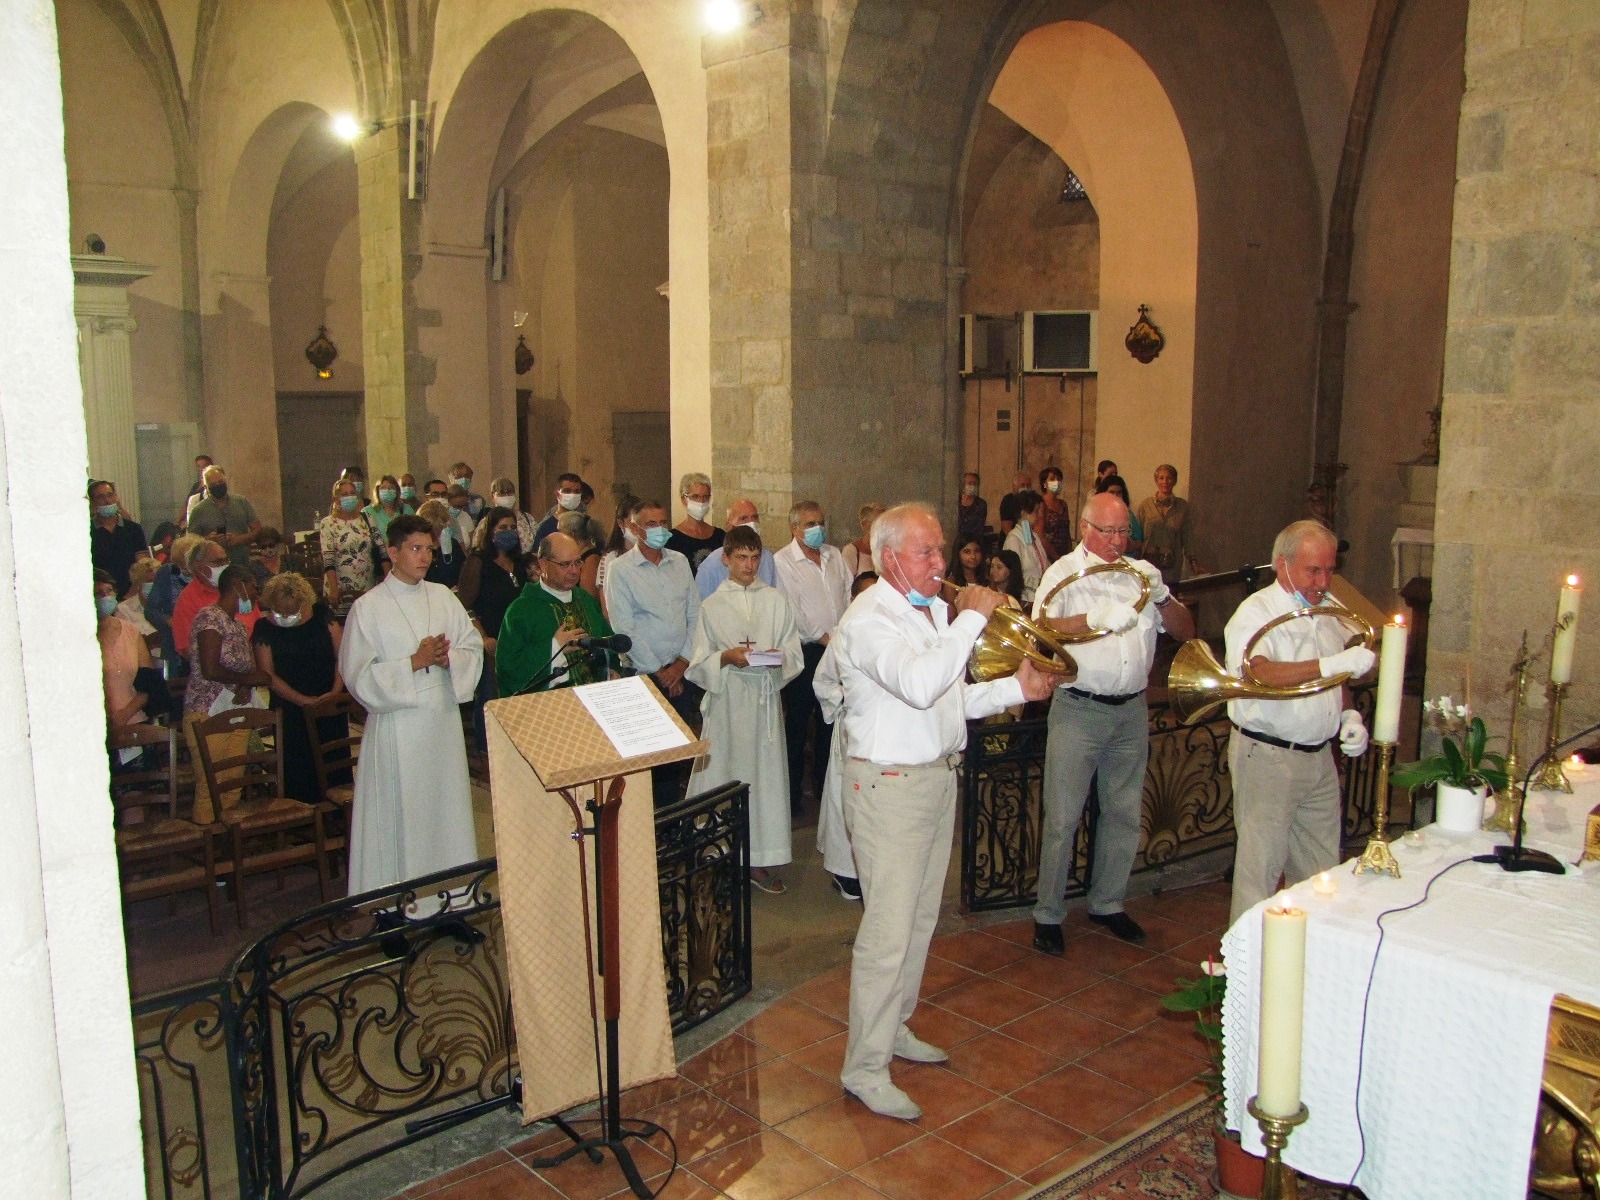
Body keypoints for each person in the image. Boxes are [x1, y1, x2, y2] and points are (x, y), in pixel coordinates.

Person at [830, 503, 1054, 1120]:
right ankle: (864, 1068)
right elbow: (922, 682)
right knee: (887, 934)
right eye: (927, 552)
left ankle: (893, 1029)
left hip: (933, 780)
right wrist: (972, 621)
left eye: (939, 549)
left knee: (919, 921)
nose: (942, 562)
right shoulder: (869, 619)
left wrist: (1018, 688)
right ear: (889, 559)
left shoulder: (924, 612)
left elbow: (947, 700)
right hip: (890, 787)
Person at [1029, 493, 1196, 952]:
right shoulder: (1062, 574)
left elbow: (1185, 631)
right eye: (1109, 531)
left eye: (1125, 531)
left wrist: (1162, 597)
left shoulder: (1138, 574)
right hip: (1079, 708)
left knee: (1123, 813)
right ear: (1085, 528)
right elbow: (1043, 630)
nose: (1119, 540)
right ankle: (1048, 913)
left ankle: (1108, 902)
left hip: (1131, 710)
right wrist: (1092, 618)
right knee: (1063, 816)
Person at [1225, 520, 1374, 923]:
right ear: (1282, 564)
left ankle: (1311, 967)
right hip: (1269, 756)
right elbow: (1258, 674)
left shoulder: (1326, 610)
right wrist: (1331, 663)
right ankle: (1245, 974)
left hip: (1319, 759)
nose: (1323, 580)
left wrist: (1349, 714)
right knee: (1260, 873)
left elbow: (1335, 678)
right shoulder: (1256, 612)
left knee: (1321, 873)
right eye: (1313, 570)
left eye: (1329, 570)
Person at [340, 515, 484, 907]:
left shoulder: (442, 596)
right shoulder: (368, 608)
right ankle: (394, 910)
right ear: (392, 552)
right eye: (416, 549)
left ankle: (451, 903)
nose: (425, 558)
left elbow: (472, 647)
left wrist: (448, 659)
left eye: (429, 550)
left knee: (447, 814)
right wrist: (413, 662)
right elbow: (357, 676)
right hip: (398, 726)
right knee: (403, 817)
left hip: (440, 722)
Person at [686, 525, 803, 892]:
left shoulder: (777, 601)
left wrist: (777, 660)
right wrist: (726, 657)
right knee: (726, 772)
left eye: (755, 558)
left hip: (764, 701)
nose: (749, 565)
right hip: (728, 702)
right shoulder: (712, 605)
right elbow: (698, 661)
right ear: (726, 559)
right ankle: (719, 853)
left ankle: (756, 860)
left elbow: (795, 653)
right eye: (741, 558)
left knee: (763, 779)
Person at [605, 500, 701, 805]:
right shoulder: (621, 570)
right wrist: (661, 671)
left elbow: (695, 616)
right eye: (651, 524)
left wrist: (682, 663)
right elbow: (625, 628)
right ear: (634, 529)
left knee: (675, 758)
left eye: (663, 523)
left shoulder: (680, 562)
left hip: (680, 673)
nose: (660, 530)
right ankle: (648, 828)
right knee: (647, 760)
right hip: (644, 675)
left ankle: (672, 826)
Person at [774, 501, 852, 816]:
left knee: (830, 722)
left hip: (837, 650)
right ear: (794, 528)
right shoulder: (783, 561)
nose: (816, 528)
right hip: (806, 650)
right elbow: (791, 606)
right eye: (809, 524)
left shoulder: (834, 556)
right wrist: (821, 636)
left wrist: (842, 636)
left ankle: (825, 791)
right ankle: (792, 798)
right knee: (797, 724)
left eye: (820, 522)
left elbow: (848, 594)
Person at [811, 569, 878, 901]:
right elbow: (822, 683)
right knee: (844, 798)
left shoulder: (892, 634)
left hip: (882, 734)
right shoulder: (842, 635)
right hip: (850, 730)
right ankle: (843, 869)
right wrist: (845, 698)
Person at [185, 565, 270, 822]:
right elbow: (210, 668)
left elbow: (247, 667)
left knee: (233, 783)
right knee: (210, 785)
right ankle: (207, 843)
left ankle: (228, 846)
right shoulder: (209, 617)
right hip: (207, 710)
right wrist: (248, 679)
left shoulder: (239, 626)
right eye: (253, 586)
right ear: (238, 586)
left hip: (235, 708)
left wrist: (245, 685)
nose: (256, 593)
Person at [253, 572, 345, 804]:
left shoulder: (323, 616)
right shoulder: (264, 628)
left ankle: (335, 817)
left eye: (291, 611)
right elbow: (268, 675)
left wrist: (333, 693)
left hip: (328, 700)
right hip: (291, 706)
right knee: (298, 767)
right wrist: (303, 701)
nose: (285, 616)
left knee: (333, 765)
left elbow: (343, 656)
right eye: (280, 612)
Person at [496, 531, 614, 695]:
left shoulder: (585, 600)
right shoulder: (521, 610)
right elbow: (508, 669)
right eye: (565, 564)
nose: (574, 571)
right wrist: (554, 647)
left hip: (596, 696)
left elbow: (607, 642)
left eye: (578, 562)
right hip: (551, 706)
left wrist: (613, 670)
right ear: (543, 564)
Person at [97, 568, 155, 735]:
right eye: (99, 593)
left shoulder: (131, 631)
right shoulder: (80, 637)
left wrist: (126, 714)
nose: (106, 597)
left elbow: (148, 683)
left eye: (109, 591)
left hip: (135, 718)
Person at [320, 476, 384, 617]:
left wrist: (386, 578)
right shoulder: (328, 523)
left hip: (367, 583)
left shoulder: (367, 518)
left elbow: (381, 549)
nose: (349, 497)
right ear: (336, 499)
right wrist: (334, 588)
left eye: (352, 493)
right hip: (340, 586)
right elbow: (328, 558)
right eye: (344, 494)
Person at [1135, 463, 1199, 590]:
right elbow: (1138, 535)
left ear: (1174, 481)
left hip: (1171, 564)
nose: (1165, 481)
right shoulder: (1145, 506)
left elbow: (1188, 536)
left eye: (1169, 478)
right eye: (1161, 478)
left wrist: (1193, 561)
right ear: (1156, 480)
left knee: (1170, 598)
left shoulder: (1182, 507)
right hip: (1149, 562)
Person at [147, 533, 204, 672]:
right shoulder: (165, 573)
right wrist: (168, 620)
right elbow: (151, 610)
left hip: (204, 640)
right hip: (174, 642)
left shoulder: (207, 574)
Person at [696, 499, 776, 598]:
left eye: (754, 517)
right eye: (743, 518)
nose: (751, 522)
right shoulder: (711, 565)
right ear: (729, 526)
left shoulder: (767, 557)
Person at [187, 465, 262, 569]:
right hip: (214, 566)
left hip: (242, 563)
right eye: (213, 484)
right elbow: (189, 542)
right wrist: (208, 540)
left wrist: (238, 539)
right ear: (206, 487)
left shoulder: (241, 502)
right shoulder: (199, 510)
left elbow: (258, 530)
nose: (218, 486)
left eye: (221, 482)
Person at [172, 538, 231, 662]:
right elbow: (186, 649)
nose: (225, 566)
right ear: (198, 566)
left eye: (226, 560)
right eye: (218, 562)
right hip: (213, 669)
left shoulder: (238, 589)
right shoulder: (187, 600)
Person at [89, 479, 149, 596]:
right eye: (101, 497)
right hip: (101, 594)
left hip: (131, 592)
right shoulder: (87, 532)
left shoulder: (133, 529)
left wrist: (131, 593)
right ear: (93, 502)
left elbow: (143, 564)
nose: (107, 501)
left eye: (110, 495)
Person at [666, 471, 725, 572]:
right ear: (684, 499)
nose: (701, 501)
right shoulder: (672, 540)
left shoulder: (720, 536)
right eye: (695, 496)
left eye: (705, 497)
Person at [597, 493, 642, 614]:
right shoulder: (611, 558)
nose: (636, 528)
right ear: (621, 523)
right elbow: (607, 607)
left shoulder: (650, 554)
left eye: (640, 522)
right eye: (631, 523)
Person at [1001, 489, 1048, 604]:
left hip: (1039, 597)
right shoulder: (1013, 540)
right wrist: (1039, 582)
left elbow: (1044, 564)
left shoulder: (1035, 537)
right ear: (1023, 513)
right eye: (1036, 511)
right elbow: (1011, 575)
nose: (1039, 515)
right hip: (1024, 600)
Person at [415, 498, 464, 588]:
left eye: (440, 529)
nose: (436, 534)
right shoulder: (415, 550)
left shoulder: (453, 545)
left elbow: (462, 574)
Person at [532, 473, 588, 545]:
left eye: (577, 491)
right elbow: (537, 554)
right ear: (558, 494)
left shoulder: (587, 524)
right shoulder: (546, 527)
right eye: (567, 491)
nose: (573, 495)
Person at [488, 476, 539, 554]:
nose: (506, 496)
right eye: (502, 493)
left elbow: (537, 542)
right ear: (492, 496)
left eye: (509, 492)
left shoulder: (527, 518)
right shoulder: (487, 520)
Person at [1095, 474, 1144, 556]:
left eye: (1119, 492)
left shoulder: (1129, 515)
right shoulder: (1095, 515)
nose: (1115, 496)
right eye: (1112, 492)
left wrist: (1130, 545)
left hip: (1125, 562)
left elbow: (1139, 542)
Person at [116, 556, 159, 638]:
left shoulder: (171, 604)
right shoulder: (123, 610)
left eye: (158, 580)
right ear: (137, 583)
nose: (155, 585)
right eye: (150, 581)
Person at [1036, 466, 1073, 560]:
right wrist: (1055, 556)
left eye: (1059, 479)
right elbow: (1040, 534)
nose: (1056, 482)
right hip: (1047, 554)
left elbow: (1067, 531)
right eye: (1052, 479)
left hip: (1064, 554)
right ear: (1044, 483)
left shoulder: (1063, 504)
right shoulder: (1041, 504)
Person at [841, 503, 885, 578]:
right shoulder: (851, 552)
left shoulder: (888, 551)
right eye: (879, 523)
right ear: (865, 524)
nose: (884, 528)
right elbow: (846, 584)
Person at [364, 474, 408, 540]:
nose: (387, 490)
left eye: (391, 488)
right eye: (383, 488)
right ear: (377, 491)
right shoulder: (368, 511)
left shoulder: (406, 509)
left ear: (397, 491)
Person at [181, 453, 213, 527]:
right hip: (189, 519)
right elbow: (186, 505)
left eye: (204, 466)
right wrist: (177, 523)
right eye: (199, 466)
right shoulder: (196, 485)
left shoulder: (211, 486)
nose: (201, 469)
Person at [955, 473, 986, 545]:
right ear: (963, 485)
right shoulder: (956, 502)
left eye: (974, 484)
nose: (972, 486)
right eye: (969, 483)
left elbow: (979, 527)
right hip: (957, 540)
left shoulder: (981, 504)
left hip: (974, 541)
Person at [998, 468, 1031, 535]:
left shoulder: (1032, 500)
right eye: (1022, 485)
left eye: (1028, 485)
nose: (1026, 488)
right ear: (1014, 486)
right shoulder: (1008, 500)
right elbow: (1006, 527)